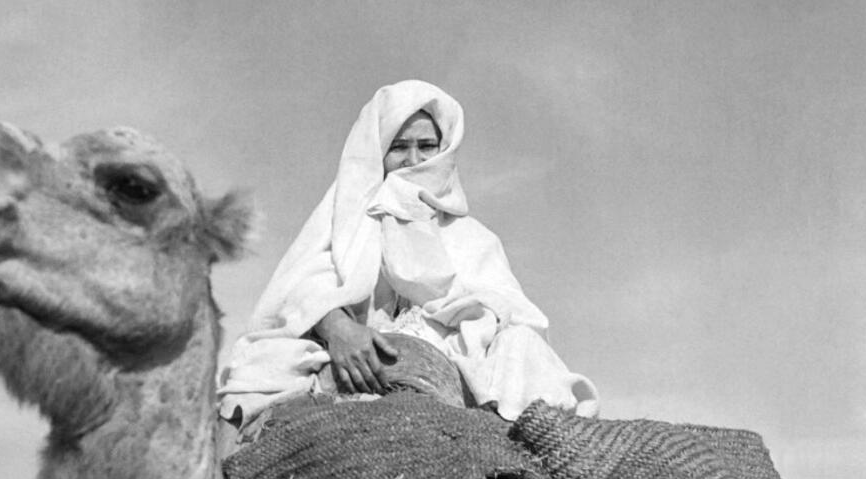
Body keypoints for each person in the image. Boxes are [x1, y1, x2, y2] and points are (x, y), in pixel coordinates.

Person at [218, 80, 598, 427]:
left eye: (426, 146)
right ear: (378, 153)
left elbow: (512, 312)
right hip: (349, 356)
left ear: (445, 150)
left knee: (524, 349)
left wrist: (445, 328)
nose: (413, 160)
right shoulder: (345, 220)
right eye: (398, 147)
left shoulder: (474, 238)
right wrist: (338, 328)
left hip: (455, 361)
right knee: (262, 370)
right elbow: (299, 288)